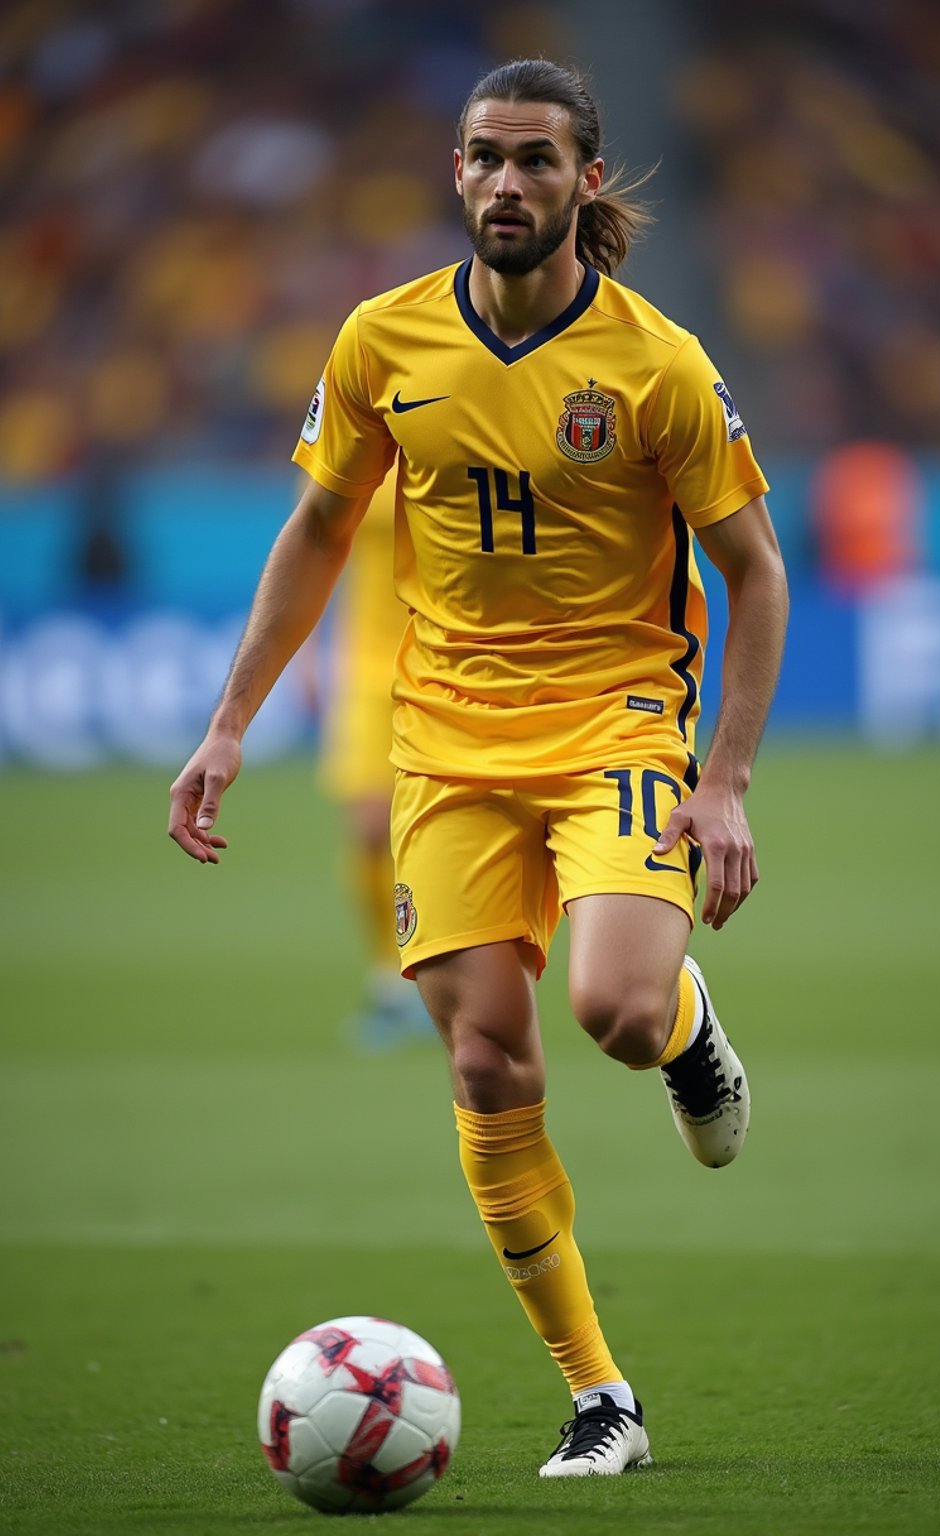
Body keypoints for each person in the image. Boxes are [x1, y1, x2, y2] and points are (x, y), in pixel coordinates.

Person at [168, 58, 788, 1479]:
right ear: (457, 175)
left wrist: (728, 778)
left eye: (536, 161)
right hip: (444, 746)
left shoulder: (657, 363)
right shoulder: (381, 342)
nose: (507, 183)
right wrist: (228, 722)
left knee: (613, 1010)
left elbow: (757, 575)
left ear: (586, 181)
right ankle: (601, 1398)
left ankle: (684, 1030)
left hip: (615, 722)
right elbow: (318, 531)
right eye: (484, 158)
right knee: (485, 1059)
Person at [317, 464, 433, 1048]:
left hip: (444, 659)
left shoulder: (447, 425)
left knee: (447, 824)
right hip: (367, 668)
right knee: (368, 826)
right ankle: (391, 981)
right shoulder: (350, 442)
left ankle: (456, 970)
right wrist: (313, 647)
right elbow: (319, 545)